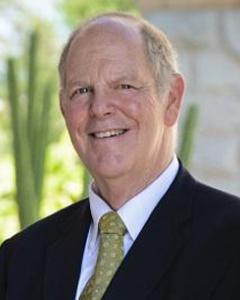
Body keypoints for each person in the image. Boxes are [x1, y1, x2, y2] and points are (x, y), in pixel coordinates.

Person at [1, 12, 240, 300]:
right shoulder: (18, 260)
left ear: (172, 99)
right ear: (64, 107)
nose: (99, 107)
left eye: (124, 86)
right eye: (82, 90)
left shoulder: (231, 243)